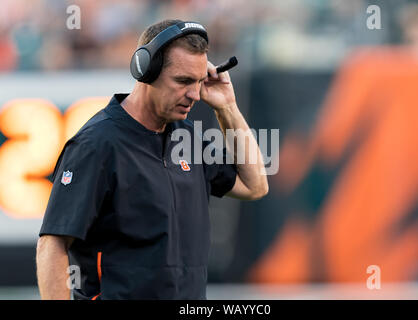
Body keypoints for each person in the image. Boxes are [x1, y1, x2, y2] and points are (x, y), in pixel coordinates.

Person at [36, 19, 268, 300]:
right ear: (146, 71)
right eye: (183, 81)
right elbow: (52, 245)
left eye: (198, 81)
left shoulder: (189, 140)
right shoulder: (96, 145)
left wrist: (227, 107)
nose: (195, 94)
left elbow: (255, 185)